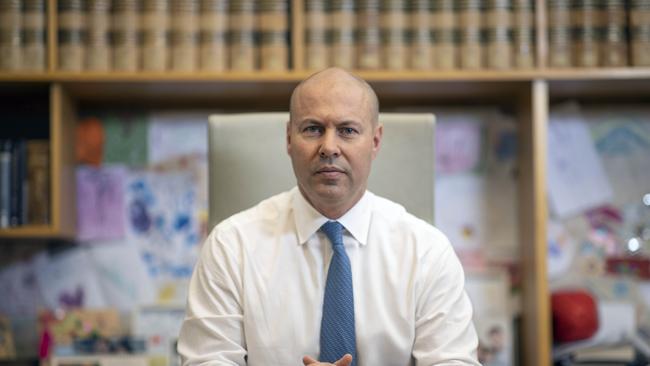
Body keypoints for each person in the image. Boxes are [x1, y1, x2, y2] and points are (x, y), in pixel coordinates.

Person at [177, 68, 480, 366]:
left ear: (375, 141)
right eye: (313, 129)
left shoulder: (427, 251)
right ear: (288, 139)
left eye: (347, 130)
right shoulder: (232, 246)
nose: (329, 148)